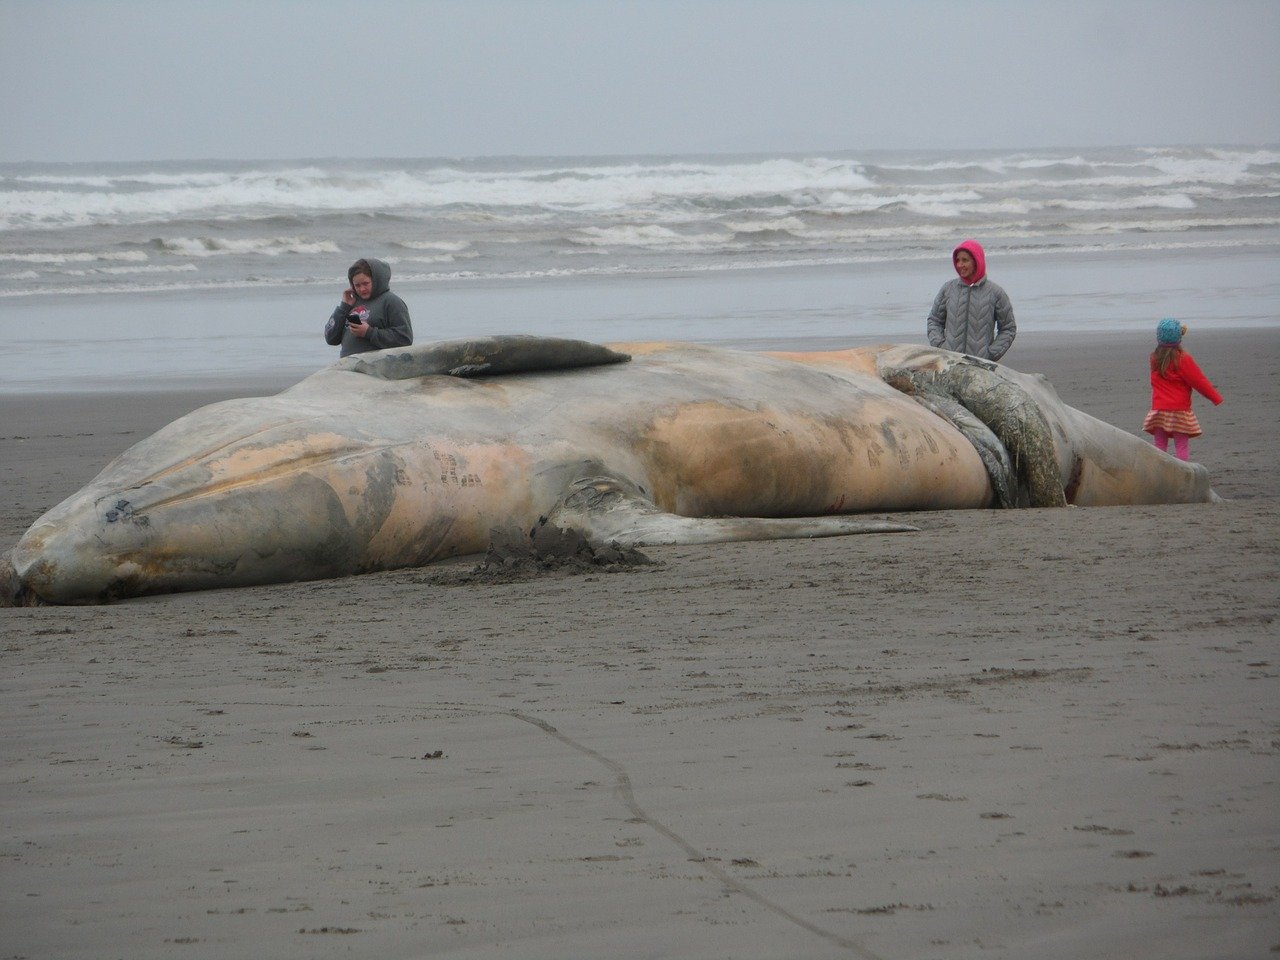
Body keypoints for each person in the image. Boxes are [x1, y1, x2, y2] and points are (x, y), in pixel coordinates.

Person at [1142, 319, 1222, 461]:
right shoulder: (1183, 359)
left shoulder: (1154, 358)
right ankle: (1182, 473)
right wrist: (1215, 397)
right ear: (1179, 338)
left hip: (1159, 410)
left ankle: (1161, 473)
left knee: (1159, 445)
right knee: (1181, 446)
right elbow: (1199, 381)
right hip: (1179, 411)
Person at [926, 239, 1016, 362]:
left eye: (965, 260)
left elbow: (1008, 328)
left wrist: (990, 354)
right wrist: (941, 347)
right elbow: (934, 321)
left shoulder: (996, 292)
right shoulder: (948, 289)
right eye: (957, 260)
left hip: (981, 366)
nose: (959, 265)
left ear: (976, 261)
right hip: (951, 364)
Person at [324, 257, 413, 357]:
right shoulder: (351, 303)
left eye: (366, 283)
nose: (362, 289)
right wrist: (344, 307)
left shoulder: (391, 302)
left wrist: (369, 332)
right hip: (347, 365)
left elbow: (405, 339)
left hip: (374, 367)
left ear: (376, 280)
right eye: (357, 285)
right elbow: (331, 338)